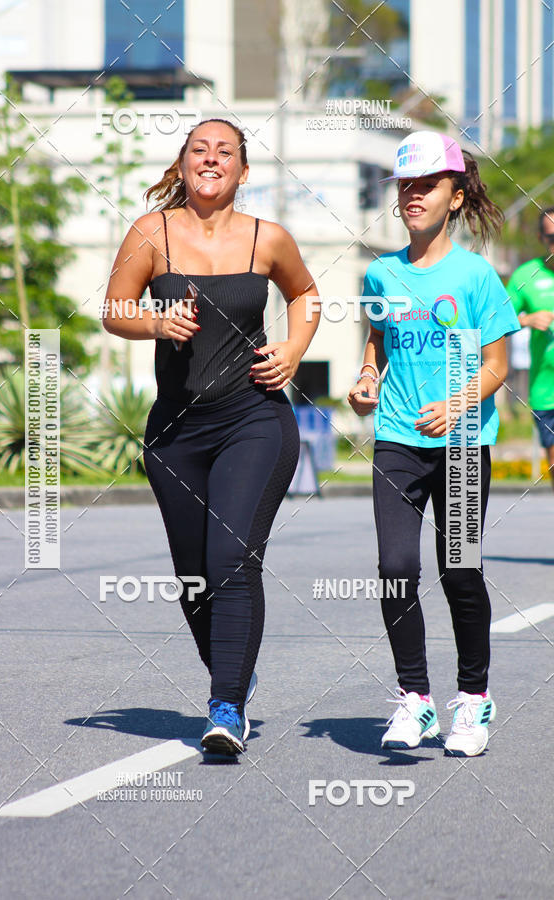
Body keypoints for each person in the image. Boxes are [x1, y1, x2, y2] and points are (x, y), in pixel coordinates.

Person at [102, 118, 319, 755]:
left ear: (243, 172)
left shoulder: (267, 238)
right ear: (184, 163)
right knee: (194, 576)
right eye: (200, 149)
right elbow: (114, 310)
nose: (212, 158)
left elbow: (306, 294)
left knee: (231, 561)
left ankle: (226, 707)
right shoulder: (150, 234)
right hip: (175, 432)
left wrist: (296, 348)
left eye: (226, 151)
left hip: (254, 418)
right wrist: (156, 323)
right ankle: (234, 670)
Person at [348, 131, 520, 757]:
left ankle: (473, 701)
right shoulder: (380, 272)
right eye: (405, 186)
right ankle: (415, 699)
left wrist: (457, 404)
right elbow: (377, 340)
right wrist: (368, 378)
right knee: (396, 570)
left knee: (461, 570)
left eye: (426, 186)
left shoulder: (476, 275)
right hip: (395, 438)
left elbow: (498, 364)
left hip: (466, 443)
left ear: (454, 196)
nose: (413, 196)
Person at [507, 207, 554, 489]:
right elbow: (496, 318)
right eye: (551, 236)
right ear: (540, 237)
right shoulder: (526, 275)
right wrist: (527, 319)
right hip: (546, 392)